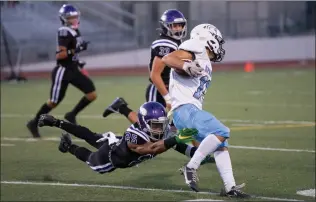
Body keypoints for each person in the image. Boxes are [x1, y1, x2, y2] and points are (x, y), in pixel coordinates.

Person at [161, 23, 250, 198]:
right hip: (185, 110)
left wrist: (188, 67)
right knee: (222, 131)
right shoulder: (197, 46)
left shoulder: (205, 59)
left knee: (221, 145)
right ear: (209, 37)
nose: (220, 45)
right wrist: (186, 66)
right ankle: (191, 167)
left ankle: (230, 187)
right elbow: (168, 58)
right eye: (218, 40)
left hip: (189, 111)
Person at [38, 102, 199, 174]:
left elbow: (179, 130)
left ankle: (56, 122)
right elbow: (153, 148)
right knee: (92, 160)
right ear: (144, 123)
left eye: (161, 124)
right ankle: (69, 147)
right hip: (112, 157)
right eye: (156, 125)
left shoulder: (153, 127)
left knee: (90, 135)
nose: (160, 129)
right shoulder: (134, 138)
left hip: (116, 141)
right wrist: (178, 137)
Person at [26, 4, 97, 138]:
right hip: (63, 71)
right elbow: (60, 55)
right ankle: (34, 123)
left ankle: (71, 114)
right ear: (64, 19)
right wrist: (75, 50)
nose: (74, 19)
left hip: (73, 69)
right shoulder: (64, 31)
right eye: (71, 17)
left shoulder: (75, 31)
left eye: (75, 16)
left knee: (91, 94)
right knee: (53, 101)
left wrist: (78, 60)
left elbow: (73, 53)